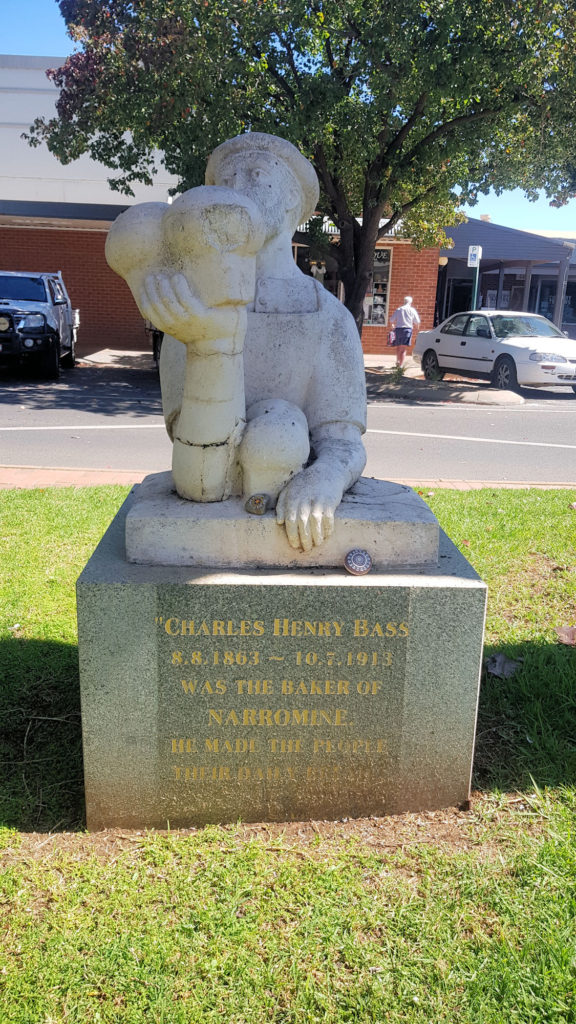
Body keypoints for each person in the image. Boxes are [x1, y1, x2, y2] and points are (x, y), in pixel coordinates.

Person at [150, 133, 367, 553]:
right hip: (207, 476)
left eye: (255, 175)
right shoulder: (191, 306)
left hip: (287, 471)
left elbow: (342, 440)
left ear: (290, 201)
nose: (236, 187)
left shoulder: (330, 318)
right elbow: (188, 449)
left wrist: (325, 478)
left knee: (280, 430)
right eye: (226, 178)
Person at [390, 296, 420, 367]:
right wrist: (417, 328)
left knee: (398, 346)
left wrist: (393, 325)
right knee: (403, 349)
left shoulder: (399, 309)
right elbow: (417, 321)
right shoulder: (412, 310)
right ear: (410, 302)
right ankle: (401, 365)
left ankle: (397, 360)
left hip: (398, 330)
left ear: (404, 301)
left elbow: (391, 320)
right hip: (407, 330)